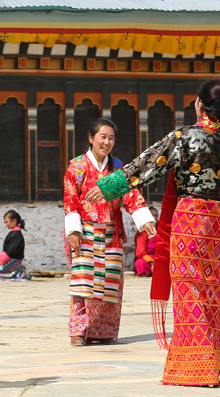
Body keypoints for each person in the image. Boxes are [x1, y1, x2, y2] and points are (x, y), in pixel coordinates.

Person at [89, 79, 220, 387]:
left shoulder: (186, 137)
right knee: (210, 291)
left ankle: (195, 368)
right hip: (217, 222)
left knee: (189, 291)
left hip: (191, 221)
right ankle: (211, 363)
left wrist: (106, 187)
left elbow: (147, 165)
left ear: (200, 104)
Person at [64, 118, 156, 345]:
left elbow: (131, 195)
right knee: (83, 282)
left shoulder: (118, 168)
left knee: (110, 282)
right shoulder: (77, 166)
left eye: (111, 138)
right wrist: (73, 231)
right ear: (91, 138)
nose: (107, 142)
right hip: (84, 231)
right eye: (102, 137)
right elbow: (70, 200)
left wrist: (144, 220)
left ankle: (104, 330)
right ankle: (79, 330)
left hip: (111, 233)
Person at [0, 210, 29, 280]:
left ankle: (18, 276)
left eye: (7, 222)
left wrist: (1, 262)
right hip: (10, 260)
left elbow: (11, 251)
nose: (6, 224)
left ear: (14, 221)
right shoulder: (14, 233)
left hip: (13, 260)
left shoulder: (16, 234)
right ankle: (18, 272)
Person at [135, 207, 160, 277]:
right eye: (152, 215)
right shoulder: (142, 232)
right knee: (140, 263)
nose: (154, 218)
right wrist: (152, 263)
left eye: (156, 215)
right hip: (148, 259)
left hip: (160, 258)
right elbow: (140, 252)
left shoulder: (161, 228)